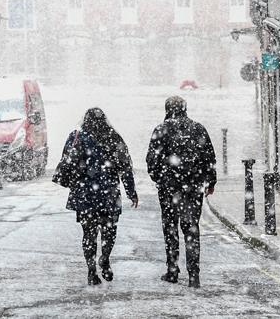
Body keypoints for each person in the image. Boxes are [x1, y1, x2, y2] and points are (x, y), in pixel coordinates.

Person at [53, 107, 138, 286]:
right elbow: (125, 168)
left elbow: (66, 162)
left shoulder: (77, 137)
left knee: (89, 234)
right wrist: (131, 192)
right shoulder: (114, 138)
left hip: (85, 195)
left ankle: (91, 271)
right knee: (109, 231)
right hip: (109, 194)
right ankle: (105, 258)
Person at [147, 96, 216, 289]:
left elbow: (151, 160)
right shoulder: (198, 128)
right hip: (193, 188)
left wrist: (160, 179)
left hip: (169, 188)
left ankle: (172, 270)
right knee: (191, 228)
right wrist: (210, 181)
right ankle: (194, 275)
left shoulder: (161, 129)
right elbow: (209, 157)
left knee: (170, 229)